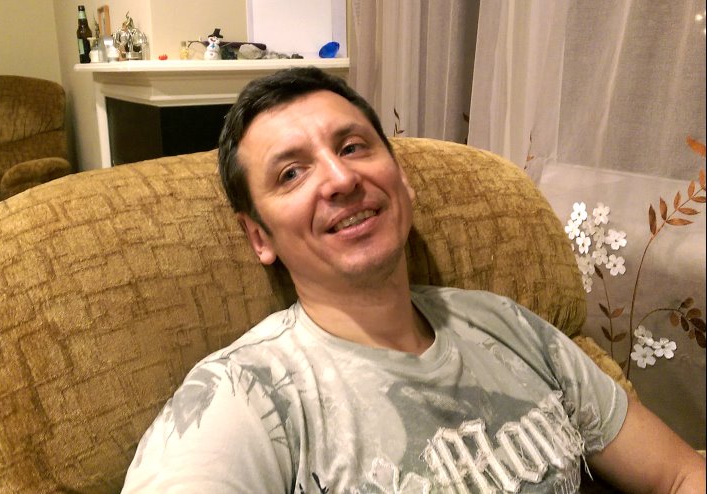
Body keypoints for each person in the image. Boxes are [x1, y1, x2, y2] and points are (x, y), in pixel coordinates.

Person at [122, 67, 705, 493]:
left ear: (401, 181)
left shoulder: (509, 325)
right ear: (259, 238)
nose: (340, 179)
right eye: (292, 173)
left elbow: (678, 475)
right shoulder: (244, 396)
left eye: (353, 146)